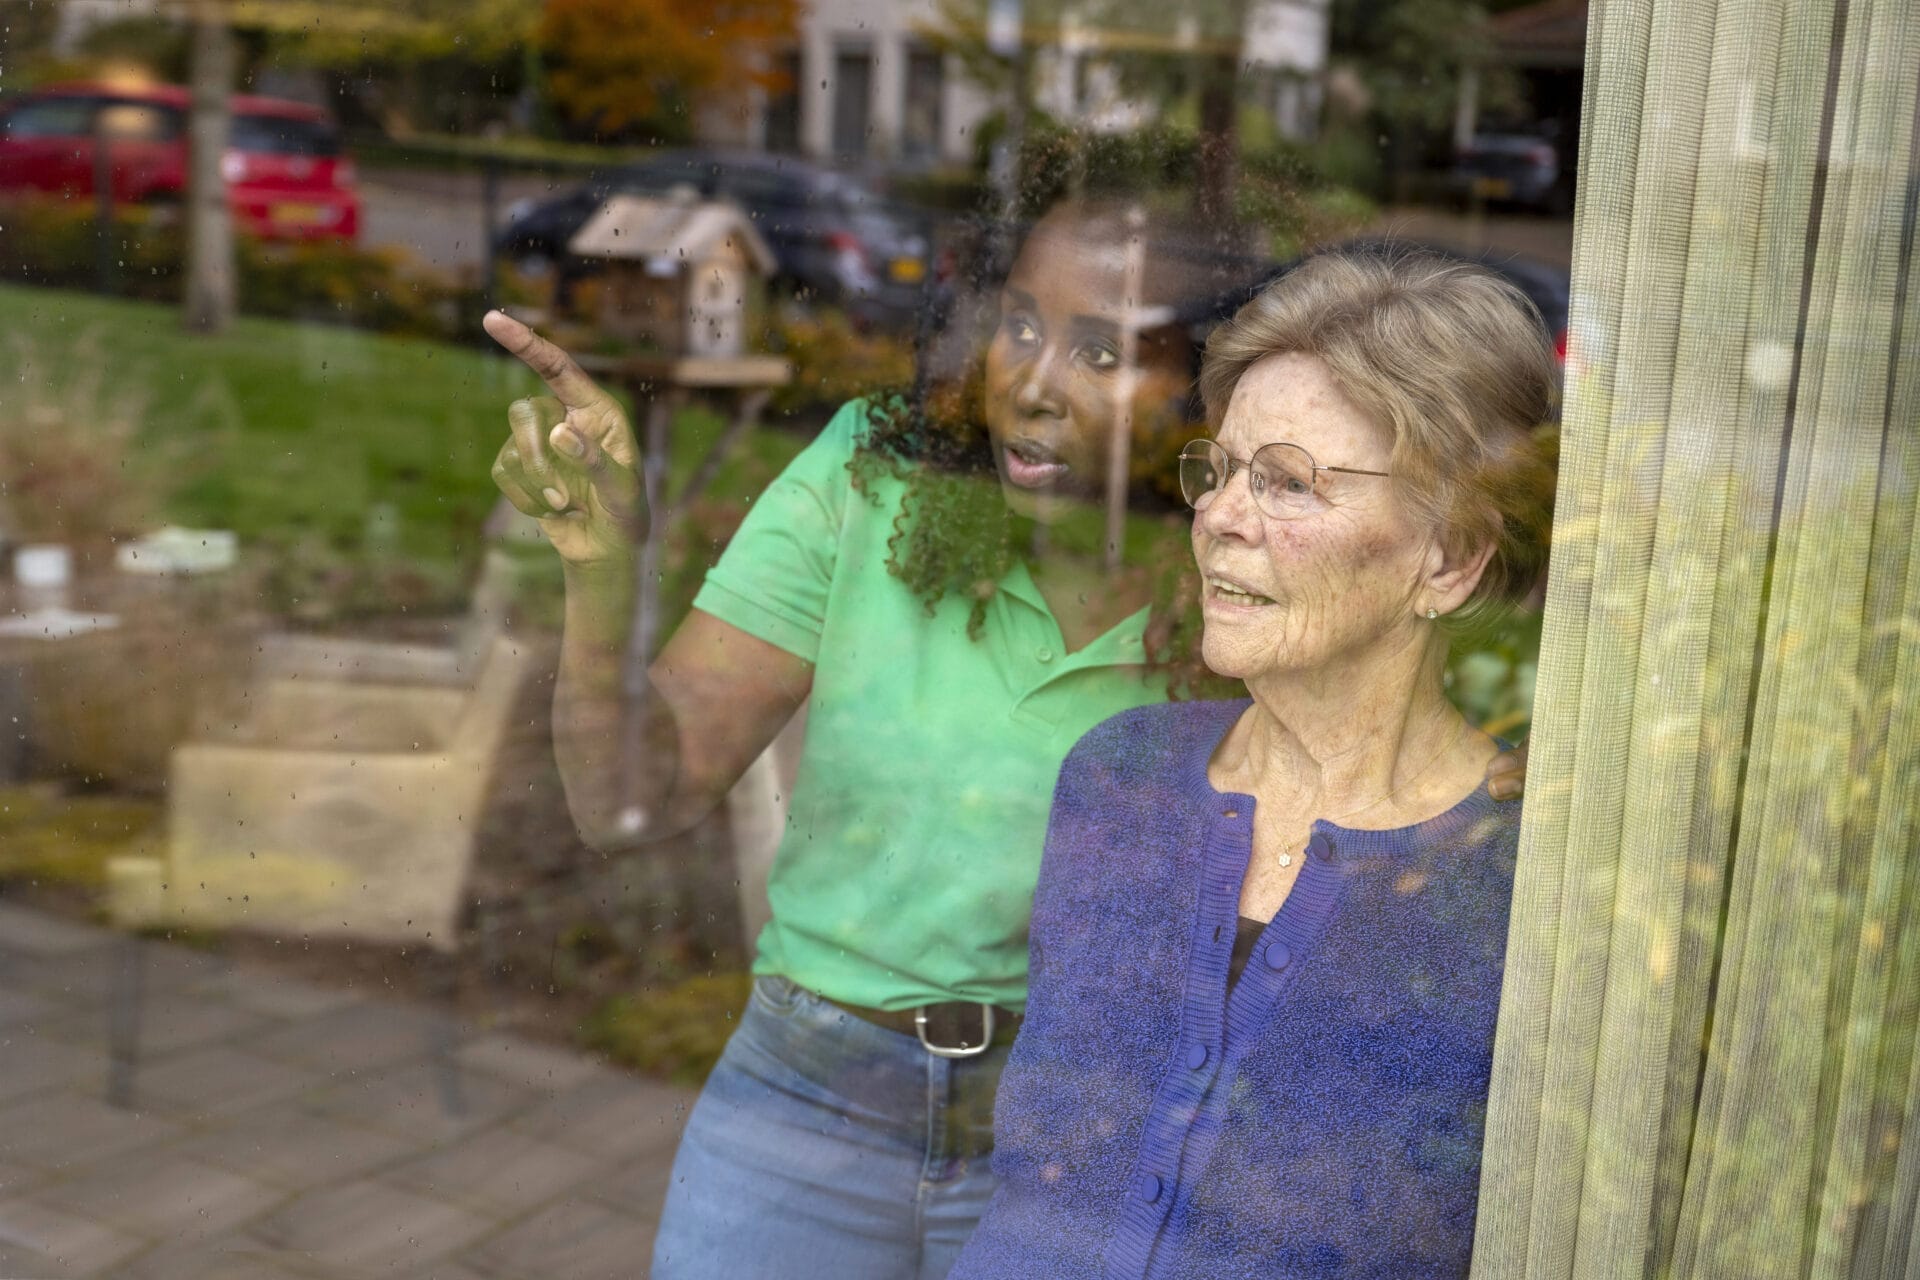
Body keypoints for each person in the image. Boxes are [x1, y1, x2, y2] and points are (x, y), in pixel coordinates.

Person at [483, 205, 1531, 1279]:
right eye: (1019, 325)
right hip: (818, 1088)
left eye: (1104, 349)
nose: (1034, 381)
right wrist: (601, 570)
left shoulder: (1254, 638)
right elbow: (632, 797)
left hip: (1063, 1126)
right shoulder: (892, 501)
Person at [948, 246, 1558, 1280]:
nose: (1222, 515)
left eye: (1288, 483)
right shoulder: (1119, 775)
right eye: (1222, 469)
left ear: (1449, 558)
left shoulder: (1520, 874)